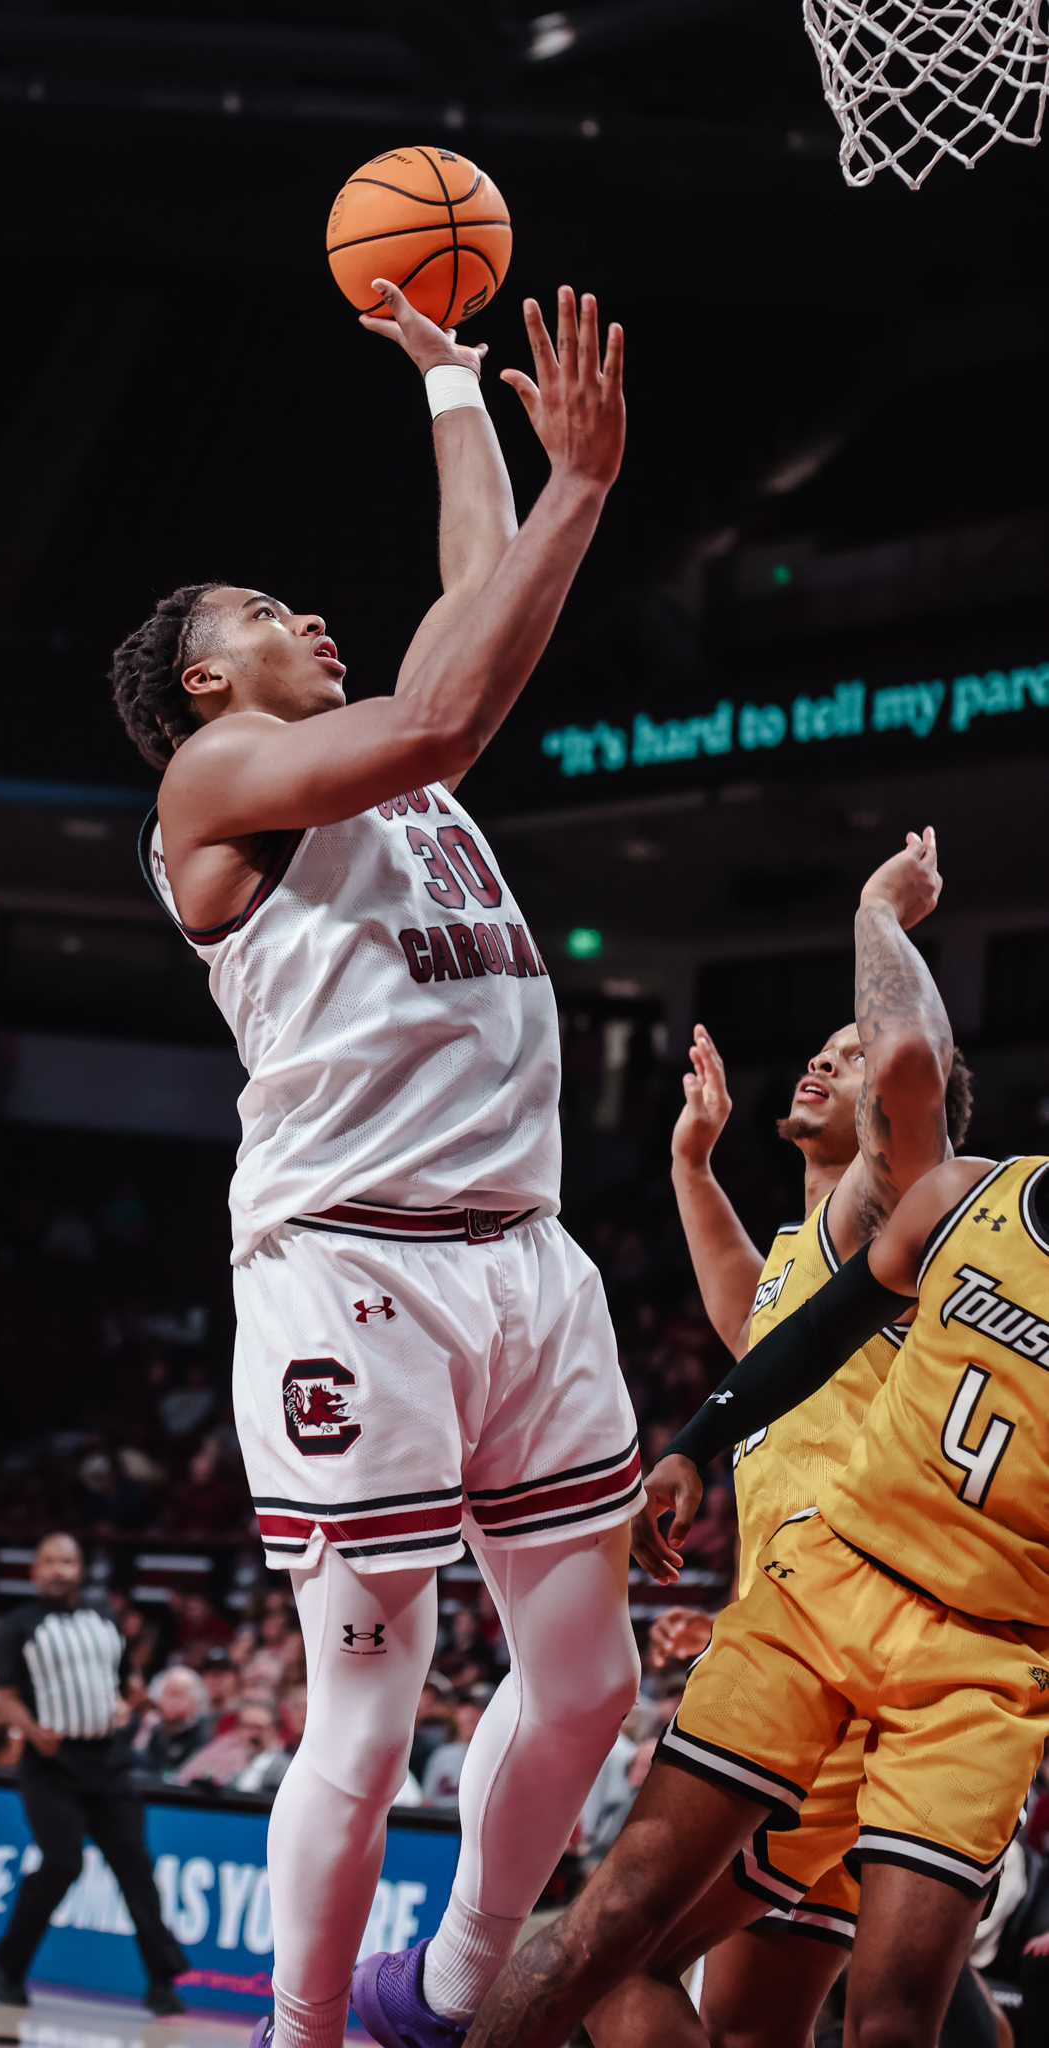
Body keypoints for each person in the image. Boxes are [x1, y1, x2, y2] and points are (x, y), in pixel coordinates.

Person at [112, 273, 637, 2048]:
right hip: (357, 1260)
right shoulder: (226, 775)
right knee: (370, 1697)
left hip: (526, 1253)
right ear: (207, 679)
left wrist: (450, 392)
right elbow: (445, 713)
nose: (308, 612)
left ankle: (459, 1989)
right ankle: (305, 2033)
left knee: (591, 1683)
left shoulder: (370, 755)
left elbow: (465, 630)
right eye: (268, 608)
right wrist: (583, 491)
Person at [463, 1146, 1049, 2048]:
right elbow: (801, 1338)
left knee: (884, 2020)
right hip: (819, 1595)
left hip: (980, 1661)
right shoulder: (966, 1194)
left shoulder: (905, 1165)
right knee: (613, 1935)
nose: (824, 1067)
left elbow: (904, 1072)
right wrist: (692, 1446)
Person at [599, 833, 968, 2048]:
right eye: (819, 1048)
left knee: (608, 1971)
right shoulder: (805, 1260)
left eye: (849, 1054)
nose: (825, 1056)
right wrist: (689, 1160)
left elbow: (909, 1078)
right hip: (804, 1661)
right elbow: (745, 1313)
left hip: (849, 1679)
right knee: (768, 2027)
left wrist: (883, 920)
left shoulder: (890, 1206)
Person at [0, 1533, 188, 2015]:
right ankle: (7, 1965)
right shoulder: (17, 1627)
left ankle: (162, 1983)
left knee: (136, 1869)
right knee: (62, 1862)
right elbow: (2, 1695)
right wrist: (31, 1730)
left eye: (67, 1561)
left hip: (108, 1764)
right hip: (51, 1768)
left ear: (81, 1569)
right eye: (49, 1561)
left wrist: (134, 1698)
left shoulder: (104, 1620)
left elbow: (121, 1680)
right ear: (34, 1571)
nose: (58, 1570)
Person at [131, 1666, 213, 1776]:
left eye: (180, 1695)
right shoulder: (149, 1727)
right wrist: (145, 1732)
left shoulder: (203, 1732)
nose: (173, 1702)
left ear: (195, 1700)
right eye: (169, 1694)